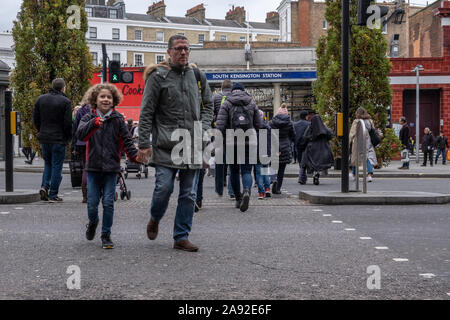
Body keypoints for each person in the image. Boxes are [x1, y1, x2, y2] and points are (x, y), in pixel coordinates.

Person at [136, 35, 214, 252]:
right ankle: (155, 217)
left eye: (187, 49)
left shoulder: (197, 75)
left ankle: (181, 236)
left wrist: (203, 128)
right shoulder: (158, 77)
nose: (183, 53)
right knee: (164, 188)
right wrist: (144, 143)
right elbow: (147, 111)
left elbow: (209, 106)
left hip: (192, 144)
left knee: (189, 194)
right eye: (179, 49)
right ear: (169, 51)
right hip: (166, 144)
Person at [77, 83, 139, 249]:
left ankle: (106, 235)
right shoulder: (88, 118)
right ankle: (93, 222)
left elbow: (127, 141)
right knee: (91, 203)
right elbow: (81, 134)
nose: (105, 99)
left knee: (108, 203)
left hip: (112, 168)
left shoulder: (118, 119)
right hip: (93, 168)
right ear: (95, 100)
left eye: (109, 97)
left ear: (114, 101)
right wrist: (95, 123)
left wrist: (136, 156)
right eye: (102, 96)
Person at [216, 82, 264, 212]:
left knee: (234, 171)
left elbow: (220, 126)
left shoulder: (226, 103)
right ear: (244, 91)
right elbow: (259, 125)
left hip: (231, 142)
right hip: (249, 141)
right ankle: (247, 190)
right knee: (247, 171)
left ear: (233, 91)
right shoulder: (252, 103)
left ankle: (238, 198)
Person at [33, 78, 72, 202]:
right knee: (57, 166)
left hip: (44, 138)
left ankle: (44, 186)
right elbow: (67, 123)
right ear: (63, 88)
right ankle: (53, 194)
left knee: (48, 164)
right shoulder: (66, 102)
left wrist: (41, 130)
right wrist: (68, 137)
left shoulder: (40, 99)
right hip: (59, 139)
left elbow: (36, 119)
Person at [213, 79, 233, 197]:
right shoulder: (235, 97)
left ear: (222, 87)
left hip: (219, 132)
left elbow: (211, 114)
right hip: (234, 133)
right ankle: (232, 191)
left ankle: (220, 186)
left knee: (219, 161)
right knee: (233, 163)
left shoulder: (216, 97)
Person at [301, 114, 334, 185]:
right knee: (319, 163)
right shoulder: (324, 127)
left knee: (311, 163)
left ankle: (310, 175)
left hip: (312, 148)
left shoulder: (310, 127)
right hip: (323, 148)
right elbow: (330, 135)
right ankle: (316, 174)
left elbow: (305, 137)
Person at [269, 104, 295, 194]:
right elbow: (293, 135)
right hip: (285, 147)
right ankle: (278, 188)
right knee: (281, 169)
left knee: (272, 165)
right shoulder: (290, 123)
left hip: (273, 147)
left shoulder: (272, 122)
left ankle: (273, 178)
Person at [349, 107, 377, 182]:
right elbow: (372, 130)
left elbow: (352, 133)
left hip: (358, 141)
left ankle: (355, 174)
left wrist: (350, 141)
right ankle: (369, 174)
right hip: (367, 140)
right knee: (367, 157)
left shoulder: (357, 121)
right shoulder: (370, 121)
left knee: (355, 157)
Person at [254, 110, 271, 199]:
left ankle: (261, 193)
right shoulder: (268, 127)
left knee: (259, 173)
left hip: (257, 154)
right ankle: (267, 188)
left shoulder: (253, 128)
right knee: (266, 172)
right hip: (266, 152)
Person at [293, 110, 310, 184]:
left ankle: (303, 177)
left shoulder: (295, 124)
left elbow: (293, 134)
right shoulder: (309, 124)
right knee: (304, 162)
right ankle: (302, 177)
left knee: (300, 161)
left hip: (298, 145)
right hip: (306, 145)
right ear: (306, 116)